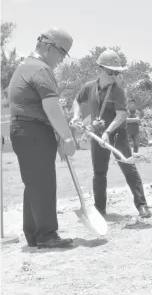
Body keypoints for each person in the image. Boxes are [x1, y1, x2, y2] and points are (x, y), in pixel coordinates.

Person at [8, 27, 76, 248]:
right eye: (62, 54)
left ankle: (35, 234)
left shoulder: (25, 66)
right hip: (34, 131)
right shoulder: (40, 69)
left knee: (34, 184)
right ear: (48, 47)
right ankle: (46, 234)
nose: (61, 61)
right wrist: (67, 138)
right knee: (44, 183)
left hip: (25, 130)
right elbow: (52, 106)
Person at [70, 49, 151, 218]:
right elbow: (77, 100)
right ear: (100, 69)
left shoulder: (118, 91)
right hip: (97, 135)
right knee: (99, 173)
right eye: (111, 71)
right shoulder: (89, 87)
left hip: (115, 135)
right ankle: (100, 210)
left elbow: (122, 115)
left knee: (129, 168)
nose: (114, 75)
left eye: (117, 72)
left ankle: (142, 205)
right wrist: (76, 115)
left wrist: (107, 132)